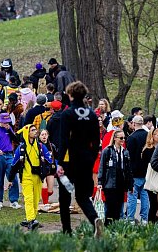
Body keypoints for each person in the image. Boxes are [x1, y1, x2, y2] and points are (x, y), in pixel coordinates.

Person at [56, 81, 104, 236]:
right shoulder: (91, 114)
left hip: (70, 159)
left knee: (64, 197)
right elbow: (96, 140)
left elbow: (63, 140)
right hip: (86, 159)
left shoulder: (67, 113)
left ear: (70, 95)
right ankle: (94, 219)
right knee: (83, 196)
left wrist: (60, 162)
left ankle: (67, 231)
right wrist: (91, 157)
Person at [9, 124, 52, 230]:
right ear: (27, 133)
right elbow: (14, 164)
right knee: (28, 198)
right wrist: (10, 179)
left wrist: (46, 169)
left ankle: (31, 219)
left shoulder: (41, 147)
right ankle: (31, 219)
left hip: (38, 177)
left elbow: (49, 160)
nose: (35, 131)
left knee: (36, 199)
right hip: (26, 177)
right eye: (32, 130)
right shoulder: (21, 148)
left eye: (35, 130)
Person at [98, 130, 133, 226]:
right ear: (115, 138)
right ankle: (108, 225)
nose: (123, 140)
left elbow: (128, 169)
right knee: (110, 206)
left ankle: (116, 225)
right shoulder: (107, 151)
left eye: (124, 138)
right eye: (121, 138)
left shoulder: (125, 152)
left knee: (119, 206)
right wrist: (100, 182)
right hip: (109, 182)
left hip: (121, 183)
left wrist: (130, 184)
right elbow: (102, 167)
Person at [0, 113, 21, 210]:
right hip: (0, 156)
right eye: (4, 122)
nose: (6, 124)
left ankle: (14, 200)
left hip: (9, 154)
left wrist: (10, 131)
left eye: (7, 122)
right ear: (0, 121)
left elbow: (16, 140)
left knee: (13, 177)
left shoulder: (9, 128)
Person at [126, 115, 150, 223]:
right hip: (146, 170)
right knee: (145, 195)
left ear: (134, 124)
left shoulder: (132, 137)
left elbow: (129, 156)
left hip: (134, 171)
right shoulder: (147, 136)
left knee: (132, 195)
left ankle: (130, 218)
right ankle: (145, 218)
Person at [142, 128, 158, 223]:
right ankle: (151, 223)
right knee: (154, 204)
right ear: (152, 136)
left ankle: (157, 223)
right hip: (151, 179)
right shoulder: (148, 150)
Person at [38, 129, 57, 208]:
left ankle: (44, 197)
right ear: (39, 136)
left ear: (48, 135)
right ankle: (45, 203)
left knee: (50, 190)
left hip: (51, 168)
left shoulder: (52, 146)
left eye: (45, 134)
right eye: (42, 135)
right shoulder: (38, 145)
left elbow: (56, 157)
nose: (44, 136)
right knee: (44, 186)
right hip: (42, 168)